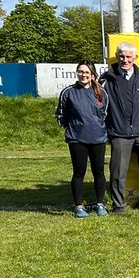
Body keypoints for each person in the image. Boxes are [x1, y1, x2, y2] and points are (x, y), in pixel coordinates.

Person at [100, 43, 139, 214]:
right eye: (121, 56)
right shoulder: (106, 80)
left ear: (135, 58)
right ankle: (118, 205)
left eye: (128, 57)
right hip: (119, 133)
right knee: (118, 172)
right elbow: (99, 107)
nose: (125, 60)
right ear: (117, 57)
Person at [55, 61, 110, 218]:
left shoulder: (101, 93)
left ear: (93, 74)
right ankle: (79, 206)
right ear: (77, 73)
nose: (83, 75)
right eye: (80, 71)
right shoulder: (68, 92)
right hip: (77, 139)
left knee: (99, 172)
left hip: (98, 138)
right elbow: (60, 114)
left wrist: (98, 127)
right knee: (79, 172)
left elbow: (105, 114)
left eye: (87, 72)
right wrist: (72, 127)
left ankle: (100, 204)